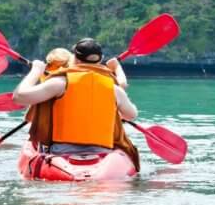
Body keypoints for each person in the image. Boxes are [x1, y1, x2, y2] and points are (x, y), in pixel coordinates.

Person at [13, 38, 139, 168]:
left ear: (75, 58)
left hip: (62, 152)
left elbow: (19, 96)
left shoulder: (60, 83)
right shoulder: (114, 89)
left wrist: (36, 70)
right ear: (100, 59)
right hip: (102, 153)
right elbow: (131, 115)